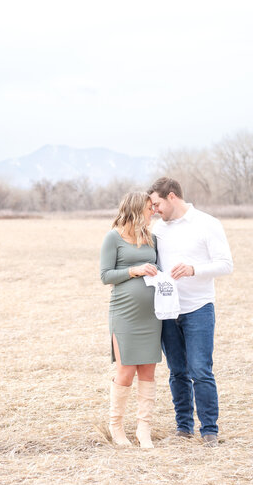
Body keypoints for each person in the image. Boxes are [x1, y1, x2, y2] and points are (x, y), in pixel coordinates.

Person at [148, 177, 233, 448]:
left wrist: (194, 269)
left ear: (172, 196)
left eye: (157, 203)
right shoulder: (156, 229)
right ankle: (183, 427)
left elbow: (225, 265)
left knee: (200, 370)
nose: (154, 209)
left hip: (199, 308)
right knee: (177, 371)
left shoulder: (207, 223)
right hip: (168, 309)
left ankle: (209, 431)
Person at [99, 191, 160, 448]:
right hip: (124, 313)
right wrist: (134, 270)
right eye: (149, 208)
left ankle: (143, 429)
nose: (153, 211)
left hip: (151, 315)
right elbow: (105, 275)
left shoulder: (152, 237)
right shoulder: (113, 238)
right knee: (125, 371)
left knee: (148, 370)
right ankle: (116, 426)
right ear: (136, 209)